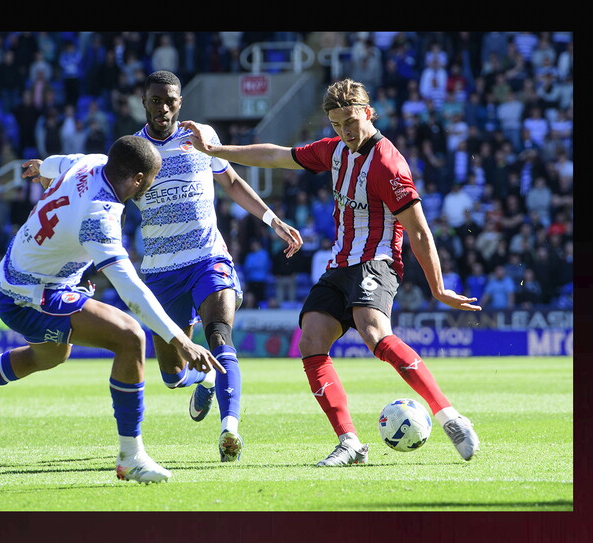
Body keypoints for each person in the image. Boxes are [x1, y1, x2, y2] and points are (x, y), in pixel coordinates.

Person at [182, 77, 482, 466]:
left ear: (368, 113)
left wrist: (438, 288)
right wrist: (216, 149)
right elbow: (275, 155)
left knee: (374, 332)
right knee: (311, 341)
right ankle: (350, 443)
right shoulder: (334, 151)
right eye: (337, 125)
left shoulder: (388, 164)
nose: (345, 132)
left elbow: (420, 230)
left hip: (376, 261)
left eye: (351, 124)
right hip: (340, 263)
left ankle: (450, 416)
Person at [0, 136, 223, 484]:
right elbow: (131, 291)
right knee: (129, 336)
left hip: (15, 275)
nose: (151, 187)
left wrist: (39, 167)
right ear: (138, 179)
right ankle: (131, 457)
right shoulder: (100, 214)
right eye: (152, 179)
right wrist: (181, 341)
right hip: (29, 294)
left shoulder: (91, 162)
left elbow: (54, 163)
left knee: (48, 358)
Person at [128, 70, 302, 461]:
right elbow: (108, 202)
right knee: (172, 376)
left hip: (208, 258)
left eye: (170, 99)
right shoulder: (132, 151)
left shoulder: (199, 136)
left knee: (220, 335)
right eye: (156, 100)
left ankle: (230, 431)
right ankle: (204, 378)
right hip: (160, 273)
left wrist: (272, 220)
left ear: (180, 102)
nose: (164, 107)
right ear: (145, 101)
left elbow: (234, 183)